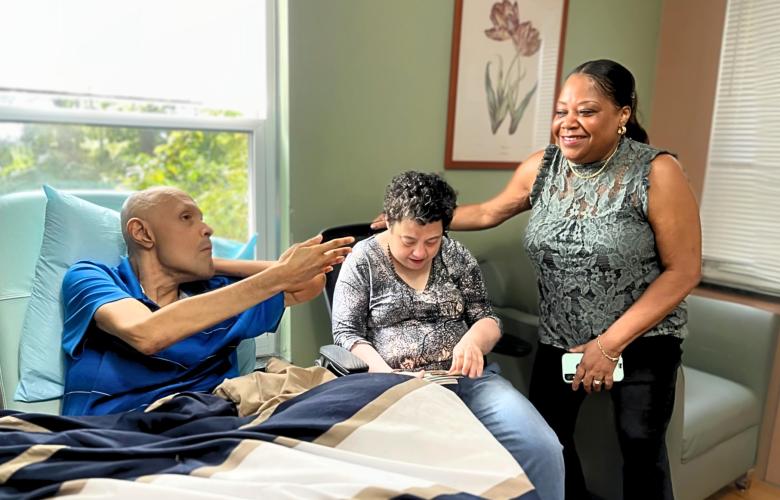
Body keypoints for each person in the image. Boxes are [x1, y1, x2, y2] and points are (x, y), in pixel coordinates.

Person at [372, 60, 701, 499]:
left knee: (640, 449)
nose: (569, 123)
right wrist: (414, 222)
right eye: (561, 111)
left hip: (643, 337)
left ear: (623, 114)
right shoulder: (542, 168)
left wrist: (609, 345)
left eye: (586, 111)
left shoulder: (656, 172)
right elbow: (491, 211)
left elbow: (684, 270)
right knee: (547, 440)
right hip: (561, 334)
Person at [333, 171, 565, 500]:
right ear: (387, 222)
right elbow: (346, 333)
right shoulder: (362, 261)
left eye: (432, 241)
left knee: (542, 446)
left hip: (467, 381)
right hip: (396, 387)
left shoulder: (455, 255)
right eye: (408, 240)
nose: (420, 253)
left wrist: (474, 341)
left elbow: (486, 316)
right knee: (443, 468)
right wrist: (384, 376)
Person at [61, 186, 353, 416]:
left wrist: (215, 265)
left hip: (214, 418)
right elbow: (147, 333)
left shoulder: (218, 292)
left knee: (347, 391)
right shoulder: (92, 277)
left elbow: (310, 284)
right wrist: (279, 273)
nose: (207, 228)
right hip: (120, 428)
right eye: (187, 218)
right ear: (142, 233)